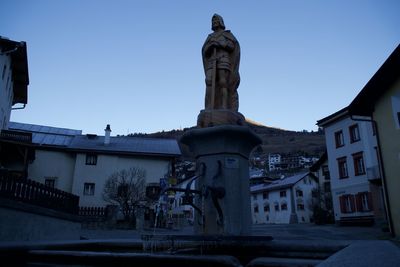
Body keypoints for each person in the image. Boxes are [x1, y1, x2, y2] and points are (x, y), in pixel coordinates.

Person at [202, 14, 240, 111]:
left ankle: (224, 106)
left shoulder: (227, 34)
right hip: (212, 61)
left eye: (216, 21)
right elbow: (204, 50)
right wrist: (210, 46)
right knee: (209, 81)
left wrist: (222, 44)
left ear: (221, 22)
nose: (214, 23)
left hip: (224, 59)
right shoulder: (210, 37)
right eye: (213, 22)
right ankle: (209, 107)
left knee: (223, 82)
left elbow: (233, 46)